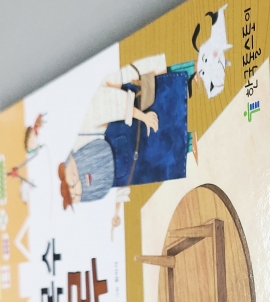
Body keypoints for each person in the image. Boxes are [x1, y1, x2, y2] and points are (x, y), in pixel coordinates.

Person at [59, 54, 198, 210]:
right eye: (76, 195)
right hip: (136, 162)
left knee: (166, 95)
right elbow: (117, 185)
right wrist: (117, 211)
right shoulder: (97, 180)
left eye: (73, 181)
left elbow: (105, 104)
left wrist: (142, 116)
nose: (78, 185)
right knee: (166, 155)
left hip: (132, 115)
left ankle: (191, 70)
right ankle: (191, 143)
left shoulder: (86, 139)